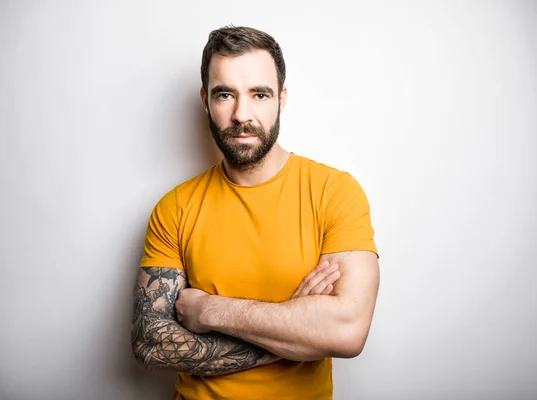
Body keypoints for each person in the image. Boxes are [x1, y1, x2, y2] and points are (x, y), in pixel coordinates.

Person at [130, 25, 380, 400]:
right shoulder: (175, 207)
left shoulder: (334, 192)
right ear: (205, 100)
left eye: (259, 94)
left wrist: (211, 310)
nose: (241, 114)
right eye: (225, 94)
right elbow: (151, 343)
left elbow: (346, 332)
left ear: (281, 97)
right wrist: (293, 333)